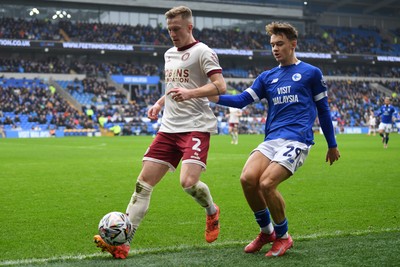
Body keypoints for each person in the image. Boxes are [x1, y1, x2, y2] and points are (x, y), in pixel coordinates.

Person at [94, 5, 227, 259]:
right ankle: (123, 243)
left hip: (196, 126)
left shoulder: (203, 52)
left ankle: (212, 211)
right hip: (169, 128)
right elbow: (174, 86)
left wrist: (190, 93)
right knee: (142, 185)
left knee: (188, 184)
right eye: (169, 30)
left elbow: (219, 86)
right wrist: (160, 102)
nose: (172, 34)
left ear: (189, 27)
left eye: (176, 29)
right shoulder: (168, 54)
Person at [209, 22, 340, 257]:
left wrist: (332, 145)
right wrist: (209, 96)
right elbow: (241, 100)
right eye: (272, 45)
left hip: (297, 139)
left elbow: (324, 111)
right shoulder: (267, 77)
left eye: (279, 44)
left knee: (267, 184)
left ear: (293, 44)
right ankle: (267, 232)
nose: (275, 49)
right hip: (272, 140)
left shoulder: (311, 73)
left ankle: (283, 237)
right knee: (247, 179)